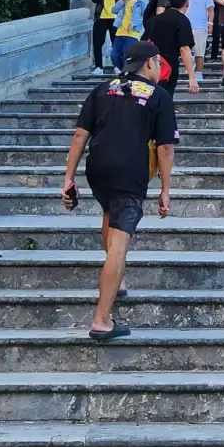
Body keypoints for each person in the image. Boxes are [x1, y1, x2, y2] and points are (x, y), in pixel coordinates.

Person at [61, 41, 176, 341]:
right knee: (119, 244)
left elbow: (79, 135)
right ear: (150, 63)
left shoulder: (102, 89)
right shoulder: (158, 96)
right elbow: (164, 147)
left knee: (110, 213)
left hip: (98, 170)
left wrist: (68, 178)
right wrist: (166, 189)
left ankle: (118, 279)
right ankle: (101, 319)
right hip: (130, 171)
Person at [147, 0, 200, 96]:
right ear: (186, 2)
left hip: (151, 66)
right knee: (165, 99)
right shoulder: (182, 21)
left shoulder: (155, 19)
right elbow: (184, 49)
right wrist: (191, 76)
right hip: (168, 68)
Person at [182, 0, 213, 85]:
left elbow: (210, 9)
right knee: (186, 50)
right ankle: (190, 69)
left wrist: (210, 23)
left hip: (200, 25)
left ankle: (198, 71)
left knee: (199, 51)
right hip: (186, 25)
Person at [108, 0, 147, 69]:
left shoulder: (141, 2)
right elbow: (113, 10)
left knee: (127, 56)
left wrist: (134, 24)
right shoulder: (123, 1)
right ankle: (124, 72)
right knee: (114, 55)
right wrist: (122, 0)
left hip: (133, 34)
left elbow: (145, 16)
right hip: (120, 32)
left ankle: (126, 74)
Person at [90, 0, 120, 74]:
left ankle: (117, 65)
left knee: (116, 42)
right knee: (98, 42)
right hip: (101, 17)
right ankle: (98, 67)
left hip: (116, 17)